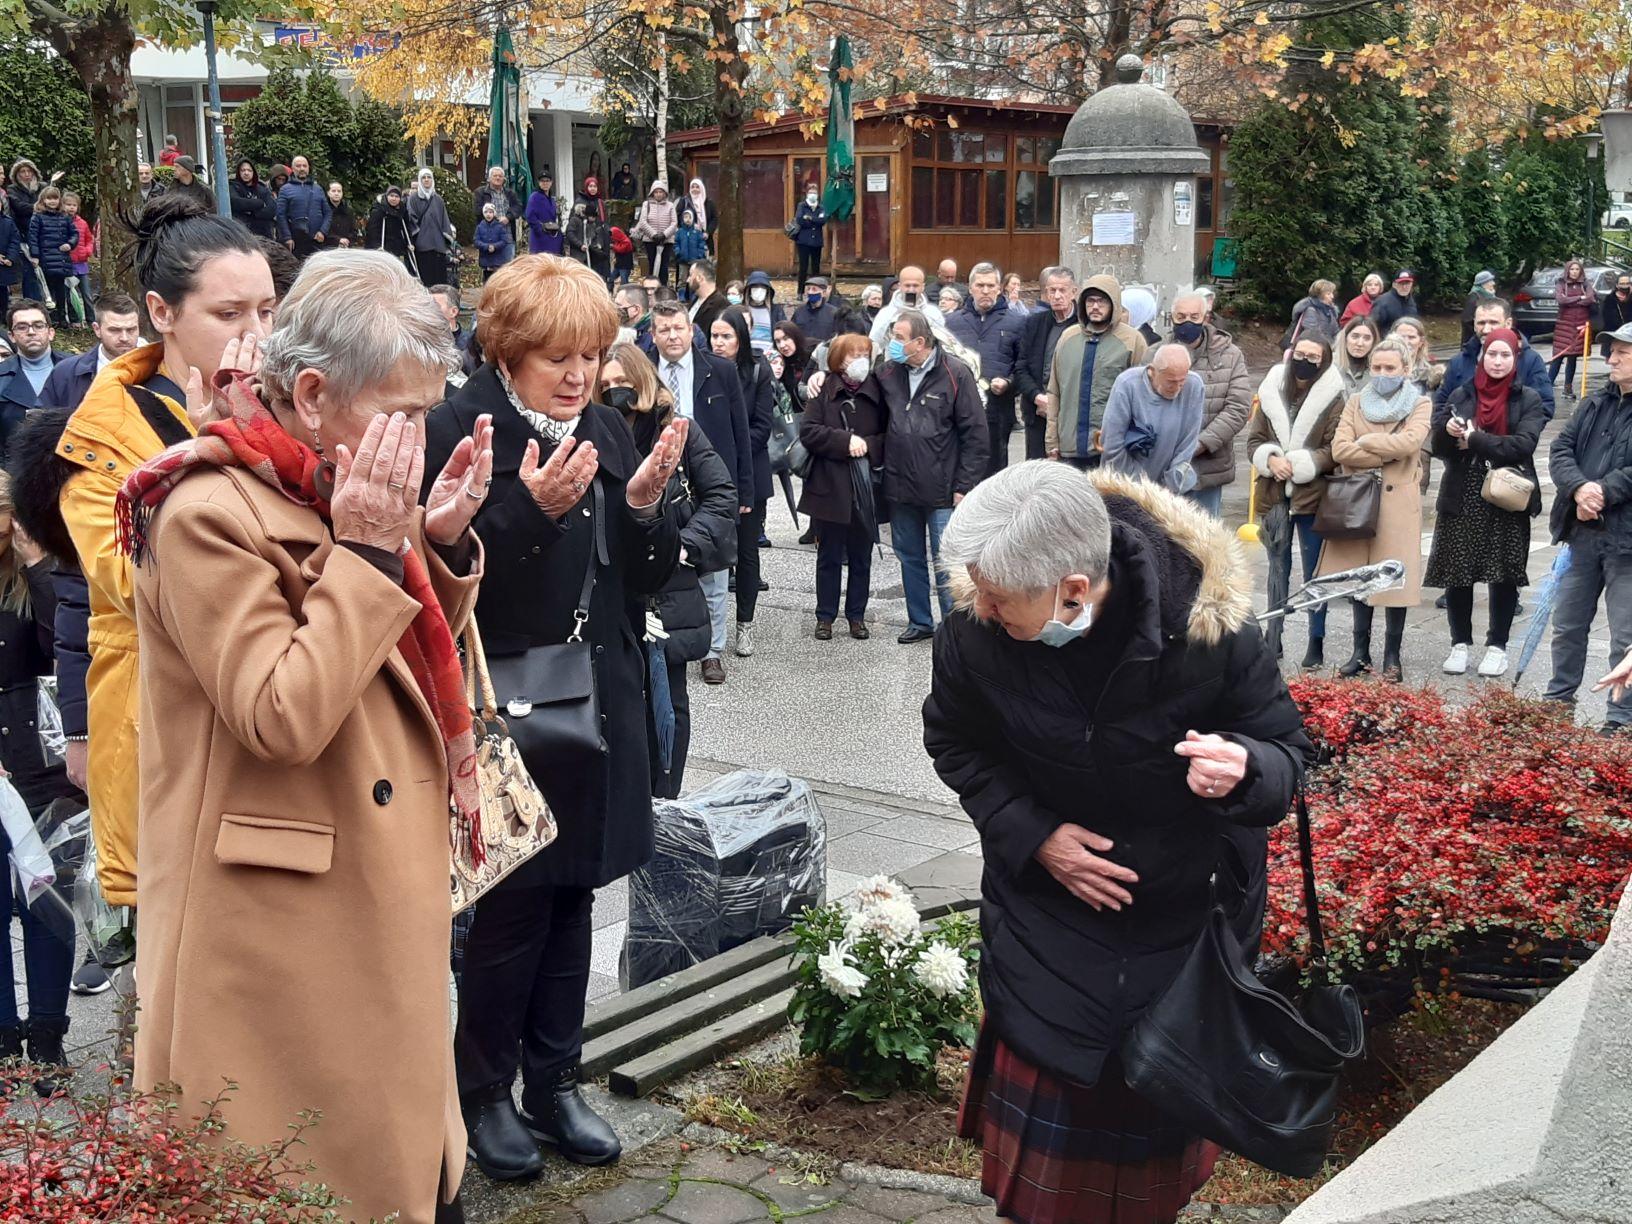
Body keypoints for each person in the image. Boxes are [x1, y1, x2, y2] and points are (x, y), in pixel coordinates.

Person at [126, 249, 492, 1224]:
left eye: (428, 408)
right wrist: (379, 550)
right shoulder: (204, 511)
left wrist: (437, 545)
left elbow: (393, 678)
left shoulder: (339, 483)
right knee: (307, 1183)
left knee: (410, 1172)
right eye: (402, 412)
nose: (420, 435)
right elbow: (280, 713)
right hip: (276, 943)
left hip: (366, 901)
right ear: (317, 392)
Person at [925, 462, 1311, 1224]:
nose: (983, 607)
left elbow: (1286, 758)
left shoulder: (1210, 631)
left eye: (1002, 601)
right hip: (1046, 933)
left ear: (1074, 589)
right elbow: (956, 743)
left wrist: (1245, 768)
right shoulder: (977, 631)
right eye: (978, 591)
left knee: (1142, 1194)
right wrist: (1036, 838)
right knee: (1037, 1194)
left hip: (1178, 943)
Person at [427, 254, 685, 1180]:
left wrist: (650, 512)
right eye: (557, 359)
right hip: (506, 708)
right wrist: (527, 514)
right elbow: (435, 591)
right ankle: (484, 1091)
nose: (580, 377)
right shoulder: (452, 430)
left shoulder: (611, 429)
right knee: (506, 912)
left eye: (592, 356)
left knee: (575, 895)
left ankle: (555, 1078)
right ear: (503, 350)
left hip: (598, 702)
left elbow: (646, 578)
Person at [56, 195, 276, 916]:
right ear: (162, 311)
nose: (255, 335)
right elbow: (131, 579)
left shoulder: (289, 405)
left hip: (272, 717)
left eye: (267, 312)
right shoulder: (102, 437)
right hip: (166, 735)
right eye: (229, 314)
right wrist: (222, 458)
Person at [600, 341, 735, 799]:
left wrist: (681, 548)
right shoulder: (593, 431)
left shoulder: (679, 430)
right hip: (614, 585)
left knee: (668, 701)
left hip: (667, 588)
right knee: (617, 698)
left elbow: (721, 496)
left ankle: (666, 796)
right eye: (606, 386)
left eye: (621, 383)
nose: (614, 392)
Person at [0, 478, 83, 1089]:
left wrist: (35, 558)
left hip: (43, 759)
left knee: (47, 903)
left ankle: (48, 1036)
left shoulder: (42, 574)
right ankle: (5, 1040)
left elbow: (70, 648)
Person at [1425, 326, 1544, 679]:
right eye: (1492, 353)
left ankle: (1497, 646)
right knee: (1458, 572)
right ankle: (1459, 643)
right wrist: (1448, 433)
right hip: (1463, 491)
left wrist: (1475, 438)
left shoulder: (1528, 400)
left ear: (1515, 359)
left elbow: (1521, 445)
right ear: (1482, 357)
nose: (1497, 360)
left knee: (1503, 574)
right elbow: (1441, 448)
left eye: (1505, 355)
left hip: (1506, 494)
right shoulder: (1462, 394)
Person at [649, 300, 751, 685]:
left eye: (679, 328)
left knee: (714, 570)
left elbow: (740, 432)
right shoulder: (644, 369)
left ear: (692, 331)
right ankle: (671, 641)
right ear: (654, 334)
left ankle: (712, 652)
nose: (673, 336)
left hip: (709, 474)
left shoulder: (720, 370)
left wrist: (744, 490)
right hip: (663, 480)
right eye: (664, 330)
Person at [1319, 337, 1432, 682]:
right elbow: (1340, 449)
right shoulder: (1355, 401)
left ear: (1406, 369)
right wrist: (1386, 452)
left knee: (1394, 577)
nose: (1382, 374)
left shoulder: (1420, 403)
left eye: (1390, 368)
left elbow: (1411, 442)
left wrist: (1365, 443)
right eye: (1377, 367)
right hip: (1359, 499)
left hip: (1398, 502)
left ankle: (1392, 657)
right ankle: (1360, 653)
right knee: (1360, 577)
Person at [877, 309, 987, 643]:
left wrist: (964, 485)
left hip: (943, 488)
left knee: (947, 562)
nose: (893, 344)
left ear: (919, 342)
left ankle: (953, 628)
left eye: (898, 337)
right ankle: (920, 621)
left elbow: (976, 435)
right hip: (900, 485)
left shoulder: (956, 373)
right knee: (909, 556)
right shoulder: (887, 373)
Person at [1544, 320, 1632, 733]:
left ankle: (1620, 721)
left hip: (1627, 543)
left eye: (1621, 352)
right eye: (1610, 350)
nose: (1610, 358)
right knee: (1567, 626)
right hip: (1583, 535)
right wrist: (1579, 489)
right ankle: (1557, 704)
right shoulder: (1595, 401)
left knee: (1625, 639)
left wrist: (1603, 490)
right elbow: (1560, 448)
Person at [1248, 336, 1346, 668]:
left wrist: (1303, 464)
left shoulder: (1334, 396)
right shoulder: (1273, 388)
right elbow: (1254, 440)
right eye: (1300, 354)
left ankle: (1315, 640)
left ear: (1324, 361)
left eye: (1312, 357)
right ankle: (1272, 637)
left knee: (1314, 570)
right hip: (1273, 490)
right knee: (1277, 568)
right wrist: (1271, 459)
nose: (1304, 361)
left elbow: (1334, 448)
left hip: (1313, 493)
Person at [799, 333, 884, 640]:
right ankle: (825, 616)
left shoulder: (878, 390)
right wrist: (844, 442)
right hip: (829, 484)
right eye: (852, 354)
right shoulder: (823, 390)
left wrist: (868, 445)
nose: (860, 360)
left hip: (865, 486)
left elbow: (890, 434)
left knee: (862, 555)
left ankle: (856, 615)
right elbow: (809, 431)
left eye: (865, 353)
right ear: (837, 359)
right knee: (829, 555)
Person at [711, 309, 775, 661]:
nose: (719, 344)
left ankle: (745, 625)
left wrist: (727, 447)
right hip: (710, 471)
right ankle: (710, 627)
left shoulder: (757, 370)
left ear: (741, 339)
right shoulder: (705, 369)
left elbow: (761, 427)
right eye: (715, 336)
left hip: (749, 469)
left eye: (726, 337)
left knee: (747, 553)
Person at [1044, 275, 1148, 469]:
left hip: (1112, 449)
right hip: (1070, 447)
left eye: (1102, 301)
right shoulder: (1068, 337)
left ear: (1114, 304)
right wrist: (1052, 441)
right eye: (1090, 301)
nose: (1095, 307)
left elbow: (1142, 398)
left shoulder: (1132, 341)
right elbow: (1055, 392)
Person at [1168, 290, 1251, 518]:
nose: (1187, 322)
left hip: (1209, 467)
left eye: (1194, 317)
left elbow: (1239, 407)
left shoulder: (1230, 355)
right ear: (1171, 317)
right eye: (1181, 316)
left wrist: (1201, 443)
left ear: (1206, 318)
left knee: (1204, 544)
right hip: (1164, 467)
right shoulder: (1156, 353)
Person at [947, 263, 1025, 478]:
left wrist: (1009, 383)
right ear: (970, 288)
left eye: (991, 285)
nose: (985, 290)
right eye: (980, 285)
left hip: (998, 409)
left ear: (999, 288)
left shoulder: (1017, 323)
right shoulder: (951, 323)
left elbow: (1024, 367)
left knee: (994, 471)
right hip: (958, 409)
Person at [1100, 344, 1204, 493]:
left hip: (1168, 491)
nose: (1177, 388)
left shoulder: (1194, 385)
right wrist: (1144, 489)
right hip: (1124, 484)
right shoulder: (1127, 384)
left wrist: (1167, 489)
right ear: (1152, 372)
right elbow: (1111, 445)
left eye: (1182, 381)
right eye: (1171, 382)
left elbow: (1187, 444)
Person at [1014, 267, 1077, 462]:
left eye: (1062, 290)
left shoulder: (1083, 325)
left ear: (1074, 292)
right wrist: (1037, 397)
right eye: (1052, 290)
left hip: (1071, 417)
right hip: (1038, 412)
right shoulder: (1034, 323)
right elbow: (1021, 367)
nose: (1057, 296)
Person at [40, 293, 141, 407]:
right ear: (97, 329)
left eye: (131, 330)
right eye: (114, 330)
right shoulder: (65, 374)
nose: (124, 338)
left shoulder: (158, 371)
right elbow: (42, 421)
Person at [0, 301, 65, 455]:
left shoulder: (79, 371)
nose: (31, 332)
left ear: (50, 332)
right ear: (12, 336)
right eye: (22, 327)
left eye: (38, 325)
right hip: (14, 471)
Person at [27, 186, 75, 326]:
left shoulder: (64, 216)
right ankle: (50, 318)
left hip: (61, 258)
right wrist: (35, 255)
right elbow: (33, 237)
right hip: (45, 258)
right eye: (49, 198)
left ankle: (62, 317)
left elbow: (74, 234)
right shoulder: (38, 216)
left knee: (61, 290)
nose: (52, 201)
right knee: (47, 291)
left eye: (55, 198)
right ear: (43, 200)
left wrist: (70, 244)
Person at [1550, 258, 1597, 402]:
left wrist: (1573, 300)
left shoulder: (1586, 283)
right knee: (1558, 356)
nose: (1574, 272)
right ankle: (1547, 384)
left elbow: (1590, 298)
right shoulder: (1561, 283)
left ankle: (1568, 387)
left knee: (1573, 357)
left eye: (1577, 269)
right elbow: (1561, 300)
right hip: (1564, 324)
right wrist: (1579, 298)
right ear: (1567, 270)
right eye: (1572, 269)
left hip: (1581, 325)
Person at [869, 266, 945, 349]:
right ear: (900, 286)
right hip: (894, 360)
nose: (911, 290)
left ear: (923, 287)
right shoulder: (886, 314)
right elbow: (874, 345)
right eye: (907, 285)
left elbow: (942, 344)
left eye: (915, 286)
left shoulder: (933, 313)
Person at [407, 168, 456, 288]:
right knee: (425, 278)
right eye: (423, 178)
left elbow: (444, 219)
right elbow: (410, 219)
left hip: (438, 245)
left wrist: (446, 239)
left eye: (429, 177)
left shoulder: (438, 199)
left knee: (439, 279)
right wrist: (416, 236)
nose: (426, 180)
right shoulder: (413, 199)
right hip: (422, 246)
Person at [275, 155, 330, 261]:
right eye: (298, 166)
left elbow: (327, 213)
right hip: (296, 241)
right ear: (292, 168)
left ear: (308, 168)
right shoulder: (285, 189)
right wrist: (287, 237)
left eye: (304, 166)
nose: (302, 169)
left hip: (316, 240)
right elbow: (281, 216)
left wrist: (323, 231)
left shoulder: (318, 189)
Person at [6, 160, 44, 303]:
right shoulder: (12, 189)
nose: (27, 175)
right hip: (24, 235)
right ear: (17, 175)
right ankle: (31, 302)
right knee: (29, 272)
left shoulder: (43, 187)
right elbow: (19, 207)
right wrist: (38, 206)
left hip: (44, 234)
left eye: (29, 171)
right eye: (22, 171)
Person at [631, 180, 678, 283]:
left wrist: (664, 235)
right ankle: (651, 287)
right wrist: (653, 234)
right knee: (652, 264)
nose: (658, 194)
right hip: (650, 240)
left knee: (664, 266)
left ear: (665, 193)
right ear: (652, 193)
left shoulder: (670, 205)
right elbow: (643, 221)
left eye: (660, 192)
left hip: (666, 240)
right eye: (656, 192)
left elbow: (674, 223)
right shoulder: (646, 204)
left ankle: (664, 288)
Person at [366, 185, 417, 276]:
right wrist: (376, 246)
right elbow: (372, 231)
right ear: (387, 196)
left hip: (396, 247)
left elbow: (406, 228)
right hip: (382, 247)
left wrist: (410, 243)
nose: (394, 198)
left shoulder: (402, 210)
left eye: (397, 196)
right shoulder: (378, 210)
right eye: (391, 196)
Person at [429, 284, 477, 379]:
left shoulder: (469, 346)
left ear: (453, 312)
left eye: (435, 306)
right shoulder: (421, 345)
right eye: (426, 305)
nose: (428, 310)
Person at [571, 177, 612, 285]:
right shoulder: (580, 202)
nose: (593, 188)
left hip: (599, 240)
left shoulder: (600, 202)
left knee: (600, 269)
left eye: (595, 186)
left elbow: (605, 220)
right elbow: (574, 224)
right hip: (584, 242)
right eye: (590, 186)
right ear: (586, 187)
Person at [228, 160, 276, 240]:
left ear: (253, 172)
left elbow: (272, 209)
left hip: (264, 235)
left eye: (249, 170)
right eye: (243, 170)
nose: (246, 173)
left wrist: (251, 212)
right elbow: (236, 202)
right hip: (243, 235)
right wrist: (260, 203)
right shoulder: (233, 187)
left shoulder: (262, 188)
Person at [792, 184, 826, 293]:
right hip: (803, 241)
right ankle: (800, 292)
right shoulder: (801, 205)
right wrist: (814, 220)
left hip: (817, 242)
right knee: (803, 268)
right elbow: (800, 220)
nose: (813, 195)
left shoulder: (821, 207)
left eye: (815, 193)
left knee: (816, 268)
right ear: (807, 194)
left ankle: (816, 290)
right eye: (811, 192)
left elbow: (822, 221)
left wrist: (810, 218)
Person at [1284, 279, 1340, 347]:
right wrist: (1331, 347)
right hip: (1311, 348)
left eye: (1332, 293)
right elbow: (1313, 334)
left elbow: (1336, 331)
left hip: (1327, 347)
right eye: (1328, 294)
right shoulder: (1310, 310)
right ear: (1320, 295)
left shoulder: (1329, 311)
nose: (1332, 296)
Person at [1334, 314, 1380, 397]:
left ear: (1373, 342)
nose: (1360, 343)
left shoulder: (1379, 372)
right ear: (1345, 338)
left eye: (1367, 338)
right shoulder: (1330, 365)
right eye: (1355, 337)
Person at [741, 271, 786, 355]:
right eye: (755, 288)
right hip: (746, 355)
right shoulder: (741, 310)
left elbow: (784, 332)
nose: (759, 291)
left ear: (767, 291)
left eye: (762, 289)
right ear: (749, 291)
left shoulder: (776, 311)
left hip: (769, 355)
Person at [771, 320, 815, 404]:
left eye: (786, 338)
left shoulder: (814, 351)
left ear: (795, 337)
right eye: (778, 341)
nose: (782, 345)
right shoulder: (781, 364)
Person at [472, 165, 521, 235]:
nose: (498, 178)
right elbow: (477, 210)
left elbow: (517, 207)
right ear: (489, 179)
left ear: (504, 179)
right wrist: (494, 218)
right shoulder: (480, 193)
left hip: (507, 232)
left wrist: (508, 217)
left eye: (500, 176)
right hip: (487, 233)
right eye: (495, 176)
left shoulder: (510, 193)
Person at [525, 170, 563, 256]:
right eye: (542, 181)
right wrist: (540, 230)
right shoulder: (534, 197)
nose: (545, 183)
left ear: (551, 182)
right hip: (539, 238)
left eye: (547, 181)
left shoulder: (552, 200)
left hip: (552, 237)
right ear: (539, 183)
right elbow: (530, 216)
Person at [1369, 269, 1418, 335]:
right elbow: (1372, 326)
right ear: (1394, 284)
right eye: (1401, 283)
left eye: (1407, 283)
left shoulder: (1411, 302)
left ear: (1412, 284)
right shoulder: (1382, 302)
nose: (1404, 287)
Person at [475, 201, 514, 281]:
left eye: (490, 212)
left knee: (496, 280)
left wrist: (495, 246)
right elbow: (476, 241)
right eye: (486, 212)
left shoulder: (500, 226)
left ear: (494, 213)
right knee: (487, 280)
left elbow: (504, 241)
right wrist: (486, 246)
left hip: (498, 260)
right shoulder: (480, 227)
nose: (488, 214)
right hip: (485, 259)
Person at [687, 258, 728, 335]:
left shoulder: (721, 305)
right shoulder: (694, 300)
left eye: (690, 275)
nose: (687, 280)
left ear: (699, 278)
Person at [674, 207, 707, 295]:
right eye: (685, 217)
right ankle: (681, 295)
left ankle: (693, 295)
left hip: (694, 260)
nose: (687, 220)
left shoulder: (697, 232)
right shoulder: (680, 232)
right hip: (683, 260)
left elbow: (701, 244)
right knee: (682, 279)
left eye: (689, 217)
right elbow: (676, 243)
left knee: (694, 278)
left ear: (692, 219)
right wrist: (678, 252)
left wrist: (699, 255)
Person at [1461, 270, 1498, 345]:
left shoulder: (1490, 296)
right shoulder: (1474, 297)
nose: (1493, 283)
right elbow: (1467, 320)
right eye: (1490, 281)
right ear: (1483, 284)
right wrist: (1479, 334)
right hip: (1474, 343)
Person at [1121, 283, 1162, 348]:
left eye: (1122, 311)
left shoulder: (1153, 343)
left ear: (1137, 313)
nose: (1116, 314)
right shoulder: (1111, 336)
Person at [319, 181, 358, 250]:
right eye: (333, 191)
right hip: (327, 248)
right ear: (328, 193)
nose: (336, 193)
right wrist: (338, 240)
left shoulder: (348, 211)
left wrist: (347, 241)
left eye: (339, 191)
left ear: (342, 193)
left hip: (346, 248)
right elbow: (322, 231)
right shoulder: (322, 210)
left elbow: (354, 230)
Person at [1602, 273, 1632, 358]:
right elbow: (1608, 318)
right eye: (1622, 284)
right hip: (1614, 334)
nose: (1625, 286)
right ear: (1617, 285)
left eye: (1627, 283)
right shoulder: (1610, 299)